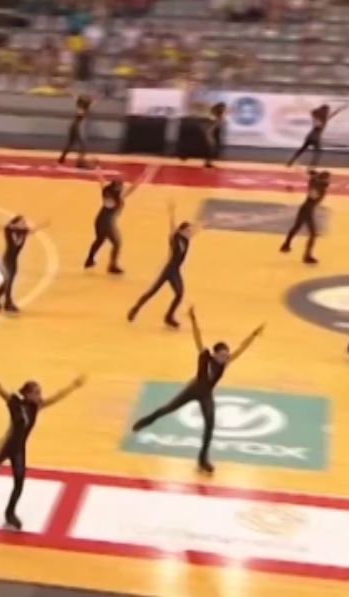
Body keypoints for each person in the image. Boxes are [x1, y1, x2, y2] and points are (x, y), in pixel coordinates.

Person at [0, 360, 87, 530]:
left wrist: (73, 386)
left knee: (19, 483)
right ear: (27, 393)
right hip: (5, 446)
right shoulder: (14, 402)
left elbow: (56, 397)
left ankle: (10, 514)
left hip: (19, 450)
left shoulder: (37, 406)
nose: (39, 396)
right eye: (36, 393)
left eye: (40, 393)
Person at [131, 306, 264, 474]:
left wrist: (254, 335)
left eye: (226, 355)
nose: (225, 357)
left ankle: (202, 460)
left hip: (206, 395)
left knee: (210, 425)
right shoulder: (204, 355)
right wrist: (193, 319)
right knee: (167, 408)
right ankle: (145, 421)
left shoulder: (226, 363)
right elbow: (197, 336)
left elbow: (241, 349)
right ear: (215, 353)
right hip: (192, 390)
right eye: (223, 355)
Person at [127, 204, 198, 328]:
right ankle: (135, 309)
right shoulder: (175, 238)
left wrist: (203, 225)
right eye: (187, 230)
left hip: (175, 271)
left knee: (179, 294)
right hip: (168, 270)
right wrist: (172, 213)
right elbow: (172, 228)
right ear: (181, 231)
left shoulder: (186, 240)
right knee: (152, 291)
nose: (190, 233)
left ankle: (169, 316)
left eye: (190, 231)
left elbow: (194, 231)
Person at [85, 166, 155, 274]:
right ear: (118, 187)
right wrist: (142, 177)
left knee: (100, 239)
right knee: (117, 243)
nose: (123, 187)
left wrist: (99, 173)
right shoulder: (119, 195)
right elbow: (132, 188)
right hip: (107, 222)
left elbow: (102, 181)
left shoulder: (106, 190)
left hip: (99, 219)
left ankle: (89, 260)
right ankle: (112, 266)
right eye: (121, 186)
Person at [0, 215, 47, 313]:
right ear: (16, 223)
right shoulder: (9, 231)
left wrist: (42, 225)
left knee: (8, 281)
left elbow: (32, 230)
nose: (24, 224)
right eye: (22, 222)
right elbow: (5, 226)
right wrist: (14, 225)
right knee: (9, 281)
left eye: (24, 222)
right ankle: (8, 303)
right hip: (6, 260)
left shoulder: (23, 232)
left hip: (13, 260)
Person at [279, 169, 334, 265]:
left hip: (304, 208)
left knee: (297, 227)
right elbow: (313, 194)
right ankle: (307, 256)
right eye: (328, 179)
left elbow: (310, 176)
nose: (329, 181)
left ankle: (286, 245)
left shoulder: (316, 182)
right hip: (308, 210)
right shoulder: (319, 185)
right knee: (312, 234)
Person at [286, 103, 347, 168]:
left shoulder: (318, 115)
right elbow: (321, 122)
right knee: (318, 152)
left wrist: (340, 109)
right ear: (325, 111)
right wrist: (340, 109)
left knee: (302, 149)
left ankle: (291, 161)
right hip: (316, 136)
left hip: (310, 135)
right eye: (327, 110)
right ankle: (312, 166)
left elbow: (332, 113)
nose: (328, 111)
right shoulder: (323, 118)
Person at [58, 94, 94, 167]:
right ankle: (80, 162)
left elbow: (85, 103)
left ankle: (62, 158)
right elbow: (82, 112)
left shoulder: (81, 107)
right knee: (82, 145)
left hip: (73, 126)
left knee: (70, 144)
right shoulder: (81, 109)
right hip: (76, 127)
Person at [203, 102, 227, 168]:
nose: (223, 109)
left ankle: (208, 162)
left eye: (223, 108)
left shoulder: (220, 116)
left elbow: (219, 125)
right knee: (211, 147)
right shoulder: (213, 115)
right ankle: (207, 162)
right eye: (222, 108)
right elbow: (210, 123)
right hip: (209, 133)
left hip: (213, 133)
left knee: (213, 147)